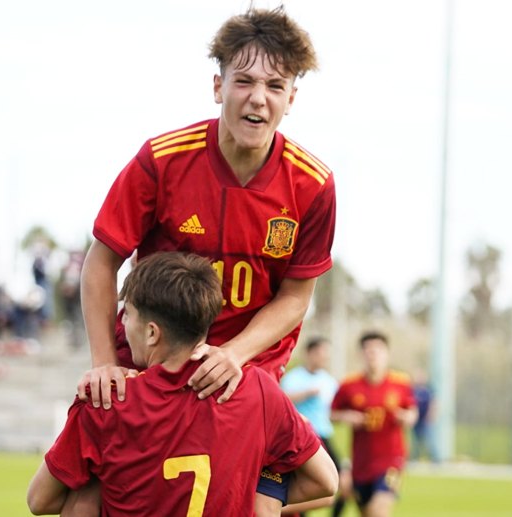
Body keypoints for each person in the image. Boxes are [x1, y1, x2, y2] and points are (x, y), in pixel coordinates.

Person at [77, 7, 335, 511]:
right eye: (244, 81)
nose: (258, 97)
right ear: (218, 87)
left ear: (291, 98)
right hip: (149, 370)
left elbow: (297, 297)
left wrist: (233, 354)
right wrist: (104, 365)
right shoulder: (162, 160)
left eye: (275, 85)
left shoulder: (312, 185)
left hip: (245, 378)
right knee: (83, 499)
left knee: (261, 507)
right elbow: (101, 262)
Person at [28, 252, 337, 516]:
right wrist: (250, 496)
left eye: (128, 314)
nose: (121, 322)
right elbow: (325, 482)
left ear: (152, 333)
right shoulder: (257, 388)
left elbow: (40, 501)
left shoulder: (106, 401)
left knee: (85, 488)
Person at [331, 332, 418, 517]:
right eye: (368, 350)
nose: (373, 354)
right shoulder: (349, 384)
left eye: (378, 350)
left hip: (391, 461)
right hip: (361, 464)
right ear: (361, 355)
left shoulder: (400, 382)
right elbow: (331, 414)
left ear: (387, 354)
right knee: (368, 513)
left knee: (379, 510)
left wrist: (408, 417)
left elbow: (413, 411)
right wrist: (346, 416)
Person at [280, 337, 343, 515]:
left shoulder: (329, 381)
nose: (324, 357)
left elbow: (334, 410)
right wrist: (306, 393)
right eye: (321, 352)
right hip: (302, 437)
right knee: (305, 484)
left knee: (342, 483)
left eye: (327, 353)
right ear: (310, 353)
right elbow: (282, 401)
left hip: (324, 435)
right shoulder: (294, 378)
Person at [411, 368, 439, 463]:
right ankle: (415, 458)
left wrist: (431, 415)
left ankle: (435, 458)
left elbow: (434, 402)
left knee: (429, 438)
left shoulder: (429, 388)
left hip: (425, 419)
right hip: (416, 419)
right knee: (416, 440)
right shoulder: (413, 389)